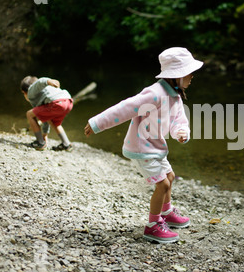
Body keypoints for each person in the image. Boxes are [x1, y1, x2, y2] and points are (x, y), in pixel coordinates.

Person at [84, 47, 203, 243]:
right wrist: (97, 123)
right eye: (189, 72)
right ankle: (153, 226)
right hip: (141, 146)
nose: (192, 76)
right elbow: (125, 108)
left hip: (156, 146)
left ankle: (166, 212)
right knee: (162, 184)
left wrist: (181, 133)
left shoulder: (175, 95)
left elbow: (178, 122)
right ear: (177, 75)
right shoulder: (154, 94)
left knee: (170, 177)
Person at [20, 76, 74, 151]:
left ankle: (40, 143)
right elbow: (44, 118)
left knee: (29, 114)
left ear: (24, 92)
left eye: (23, 94)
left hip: (56, 103)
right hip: (68, 102)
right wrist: (45, 134)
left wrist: (48, 81)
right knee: (55, 123)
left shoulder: (31, 91)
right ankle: (66, 144)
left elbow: (40, 82)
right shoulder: (43, 94)